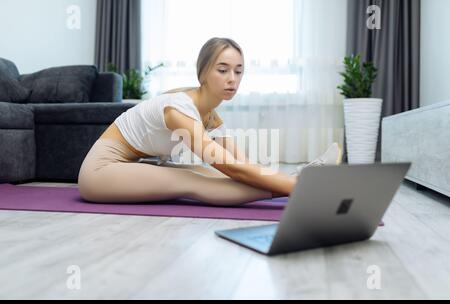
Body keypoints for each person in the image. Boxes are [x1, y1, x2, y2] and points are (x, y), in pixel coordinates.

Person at [78, 37, 342, 206]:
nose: (233, 79)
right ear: (203, 72)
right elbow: (234, 170)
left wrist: (281, 178)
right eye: (223, 69)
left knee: (210, 173)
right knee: (193, 180)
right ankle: (303, 187)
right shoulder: (178, 110)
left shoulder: (211, 115)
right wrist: (292, 188)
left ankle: (302, 178)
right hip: (99, 173)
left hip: (131, 164)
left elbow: (242, 164)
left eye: (239, 71)